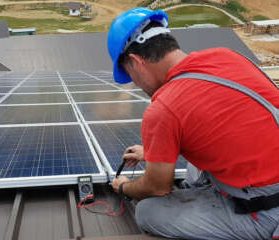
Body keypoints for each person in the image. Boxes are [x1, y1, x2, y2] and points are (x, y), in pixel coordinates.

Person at [107, 7, 279, 240]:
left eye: (131, 76)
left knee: (148, 211)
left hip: (266, 211)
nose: (136, 84)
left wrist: (124, 187)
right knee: (192, 165)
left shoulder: (164, 107)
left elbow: (157, 187)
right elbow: (220, 127)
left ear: (136, 62)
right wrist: (151, 153)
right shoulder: (227, 56)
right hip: (268, 170)